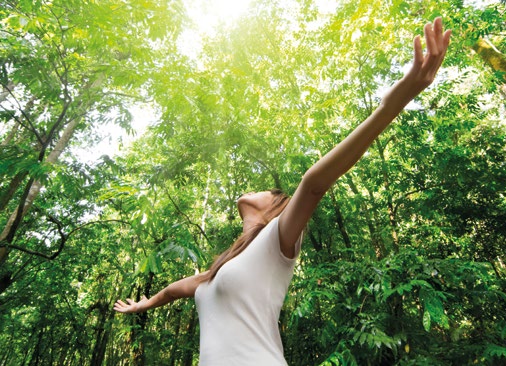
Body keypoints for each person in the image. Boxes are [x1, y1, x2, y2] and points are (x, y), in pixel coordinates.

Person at [114, 18, 451, 365]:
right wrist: (144, 303)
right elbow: (173, 290)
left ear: (275, 208)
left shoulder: (277, 239)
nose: (254, 189)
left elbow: (314, 184)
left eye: (267, 190)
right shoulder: (216, 272)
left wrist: (390, 105)